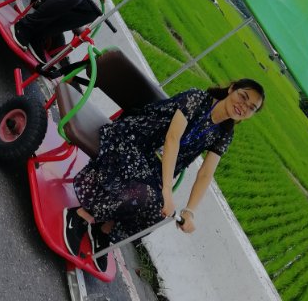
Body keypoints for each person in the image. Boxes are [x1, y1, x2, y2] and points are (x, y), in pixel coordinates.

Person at [63, 78, 265, 271]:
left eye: (251, 108)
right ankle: (80, 216)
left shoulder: (225, 133)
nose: (243, 106)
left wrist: (189, 211)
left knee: (158, 211)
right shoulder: (197, 98)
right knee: (147, 195)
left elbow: (206, 173)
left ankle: (103, 230)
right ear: (231, 89)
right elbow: (172, 138)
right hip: (135, 140)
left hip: (154, 166)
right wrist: (167, 190)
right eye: (243, 97)